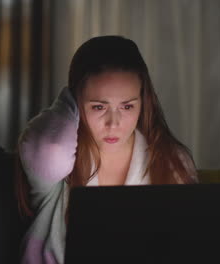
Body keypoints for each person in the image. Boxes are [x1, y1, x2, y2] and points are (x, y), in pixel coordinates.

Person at [15, 35, 198, 264]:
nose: (113, 123)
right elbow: (49, 148)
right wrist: (68, 101)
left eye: (127, 106)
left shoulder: (172, 161)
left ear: (144, 102)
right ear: (75, 102)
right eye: (99, 106)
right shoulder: (58, 163)